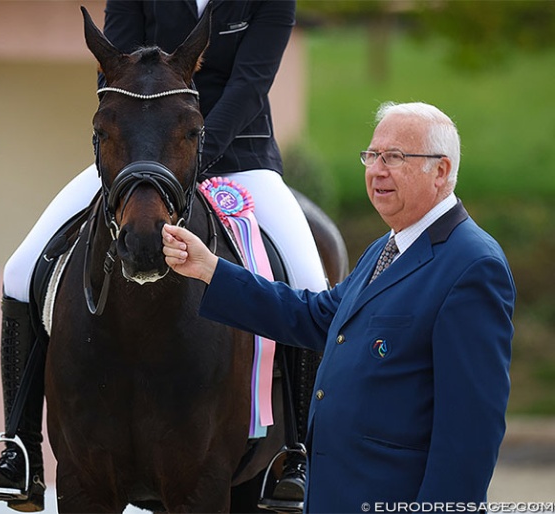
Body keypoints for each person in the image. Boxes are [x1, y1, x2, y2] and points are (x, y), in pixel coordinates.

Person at [0, 0, 326, 511]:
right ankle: (19, 448)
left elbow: (252, 82)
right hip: (142, 159)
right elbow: (116, 68)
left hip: (241, 159)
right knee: (21, 268)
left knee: (308, 279)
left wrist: (195, 151)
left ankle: (296, 452)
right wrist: (152, 152)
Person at [162, 101, 516, 513]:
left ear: (440, 171)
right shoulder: (388, 247)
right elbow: (315, 317)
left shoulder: (473, 266)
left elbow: (469, 437)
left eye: (395, 157)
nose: (377, 170)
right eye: (372, 155)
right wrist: (210, 269)